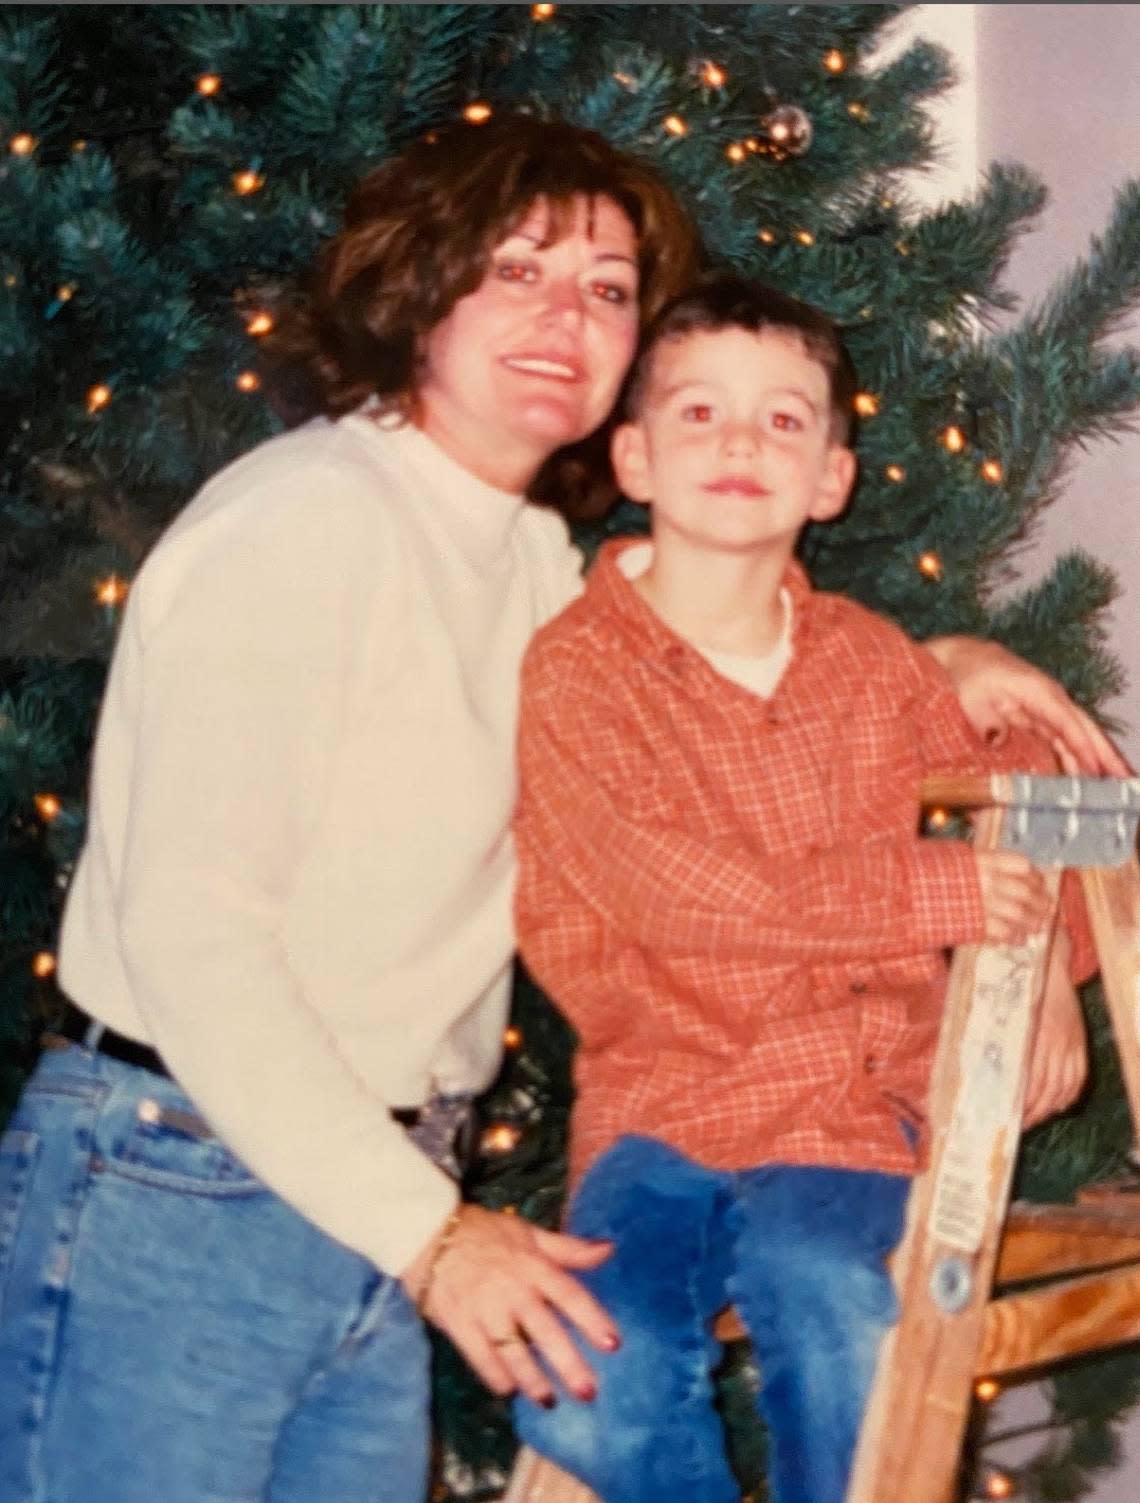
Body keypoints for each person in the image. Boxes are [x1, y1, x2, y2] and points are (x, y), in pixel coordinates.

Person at [0, 118, 1122, 1503]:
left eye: (605, 288)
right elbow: (195, 941)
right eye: (516, 269)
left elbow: (724, 649)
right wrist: (437, 1236)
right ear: (416, 290)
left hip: (371, 1178)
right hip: (181, 1174)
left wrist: (946, 670)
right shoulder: (305, 523)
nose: (566, 315)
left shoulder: (540, 567)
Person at [511, 276, 1098, 1503]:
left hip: (846, 1109)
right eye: (700, 413)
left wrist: (1044, 971)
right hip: (656, 1110)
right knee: (579, 1365)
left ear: (830, 477)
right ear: (632, 456)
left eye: (785, 421)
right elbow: (680, 891)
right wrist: (941, 897)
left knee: (835, 1303)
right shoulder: (576, 673)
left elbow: (1042, 767)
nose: (740, 442)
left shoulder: (868, 664)